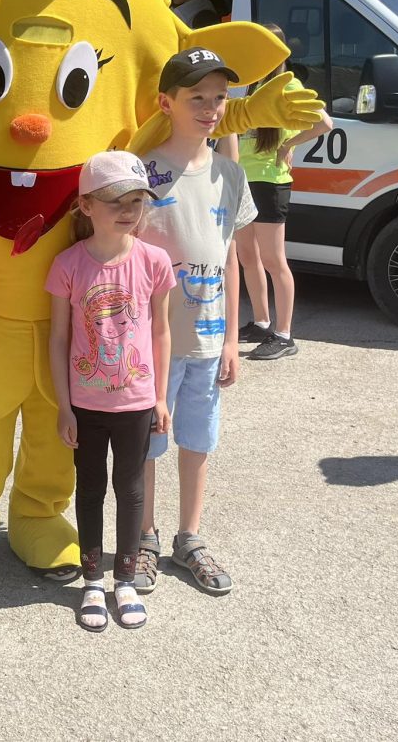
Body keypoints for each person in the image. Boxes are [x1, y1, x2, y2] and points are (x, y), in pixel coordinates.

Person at [134, 48, 257, 596]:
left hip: (209, 341)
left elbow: (230, 255)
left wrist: (233, 338)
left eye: (219, 98)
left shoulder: (231, 173)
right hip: (152, 343)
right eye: (196, 98)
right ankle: (143, 537)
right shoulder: (144, 172)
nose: (210, 108)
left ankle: (190, 537)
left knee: (197, 439)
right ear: (167, 102)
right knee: (148, 443)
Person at [46, 151, 174, 632]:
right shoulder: (67, 265)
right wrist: (64, 405)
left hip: (137, 401)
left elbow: (161, 332)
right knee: (91, 487)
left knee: (131, 488)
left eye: (137, 200)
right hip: (85, 402)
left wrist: (161, 397)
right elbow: (57, 338)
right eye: (115, 199)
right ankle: (92, 580)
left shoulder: (154, 261)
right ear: (86, 205)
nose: (128, 209)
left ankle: (125, 579)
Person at [225, 25, 333, 360]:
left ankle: (284, 335)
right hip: (243, 180)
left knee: (273, 259)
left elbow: (325, 123)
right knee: (247, 257)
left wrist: (288, 144)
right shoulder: (251, 86)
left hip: (270, 181)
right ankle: (260, 322)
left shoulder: (289, 86)